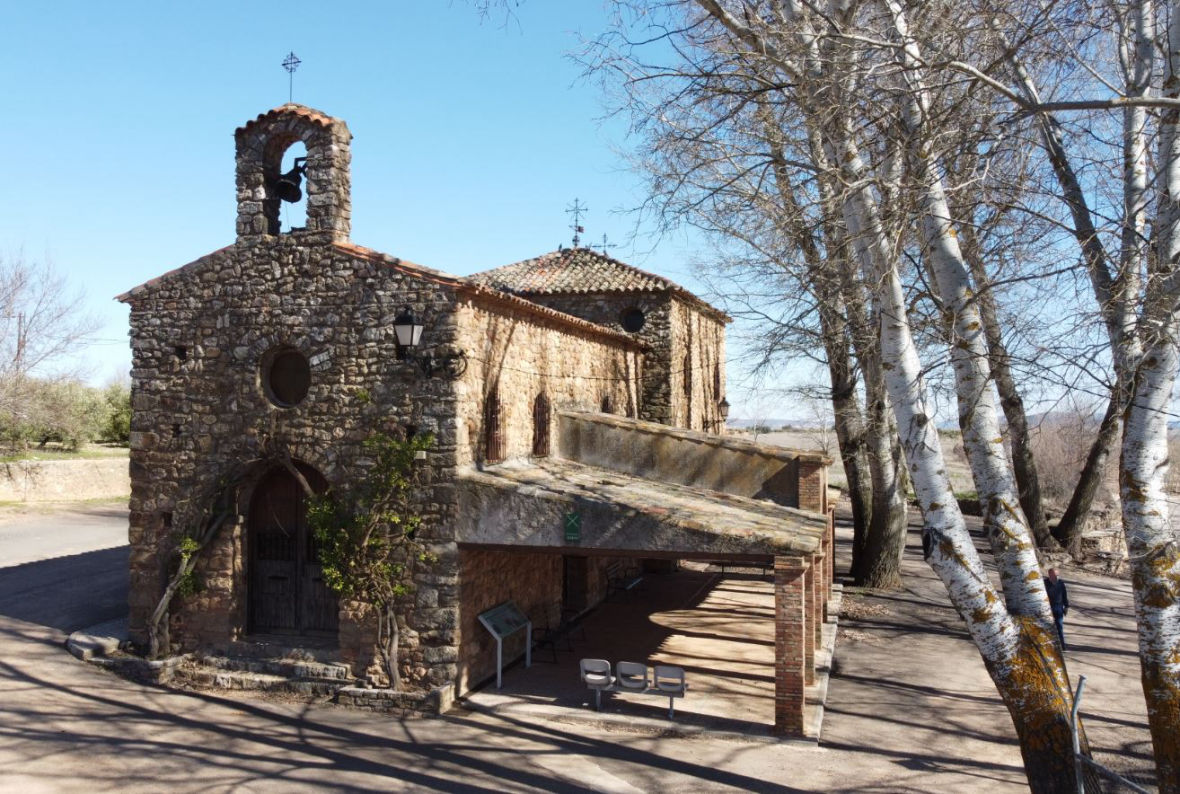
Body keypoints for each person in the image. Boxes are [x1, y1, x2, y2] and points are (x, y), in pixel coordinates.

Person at [1044, 568, 1070, 649]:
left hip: (1058, 607)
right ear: (1050, 574)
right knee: (1047, 627)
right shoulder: (1044, 583)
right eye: (1055, 575)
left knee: (1059, 626)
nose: (1057, 577)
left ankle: (1062, 646)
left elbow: (1064, 595)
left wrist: (1066, 606)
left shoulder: (1061, 583)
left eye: (1058, 575)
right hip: (1048, 608)